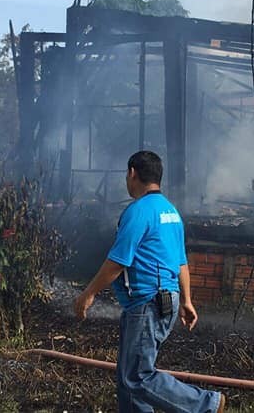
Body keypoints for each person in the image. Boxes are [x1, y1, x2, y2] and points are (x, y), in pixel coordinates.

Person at [73, 150, 224, 412]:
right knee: (126, 376)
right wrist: (187, 301)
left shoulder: (138, 211)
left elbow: (118, 261)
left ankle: (205, 405)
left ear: (132, 173)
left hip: (147, 303)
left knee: (137, 376)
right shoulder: (171, 212)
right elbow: (181, 262)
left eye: (126, 175)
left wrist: (88, 293)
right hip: (164, 299)